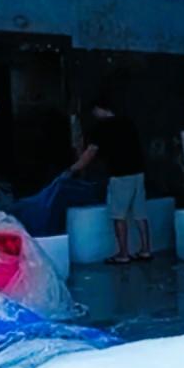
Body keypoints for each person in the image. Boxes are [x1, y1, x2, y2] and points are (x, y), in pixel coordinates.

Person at [71, 99, 150, 263]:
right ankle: (145, 250)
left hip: (120, 175)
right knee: (140, 214)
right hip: (138, 173)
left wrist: (73, 169)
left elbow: (90, 152)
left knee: (118, 215)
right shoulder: (127, 122)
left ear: (100, 109)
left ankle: (123, 253)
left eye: (94, 111)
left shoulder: (102, 127)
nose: (94, 115)